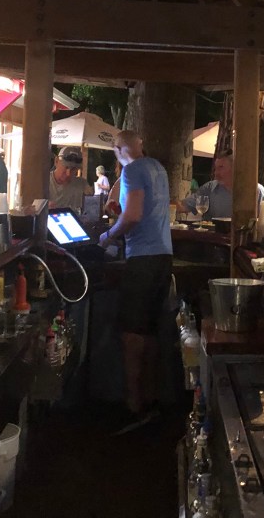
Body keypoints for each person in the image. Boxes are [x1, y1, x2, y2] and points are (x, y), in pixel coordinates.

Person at [97, 130, 172, 434]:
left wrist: (108, 235)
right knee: (151, 332)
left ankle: (132, 407)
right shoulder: (157, 167)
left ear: (119, 150)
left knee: (131, 335)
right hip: (163, 256)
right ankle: (152, 402)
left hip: (142, 259)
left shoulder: (131, 171)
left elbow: (134, 216)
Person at [177, 150, 264, 219]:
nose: (216, 173)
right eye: (216, 168)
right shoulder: (209, 188)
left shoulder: (256, 190)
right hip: (211, 239)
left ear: (235, 168)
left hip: (243, 239)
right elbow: (182, 206)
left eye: (221, 167)